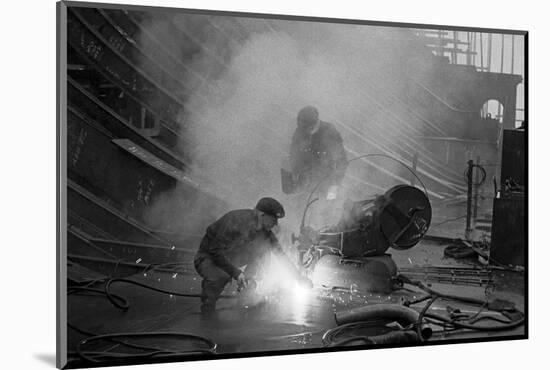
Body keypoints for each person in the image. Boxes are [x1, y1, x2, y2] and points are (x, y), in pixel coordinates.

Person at [194, 197, 311, 314]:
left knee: (262, 251)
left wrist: (298, 278)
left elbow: (281, 255)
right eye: (274, 218)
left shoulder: (265, 234)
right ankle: (208, 309)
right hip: (208, 258)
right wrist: (236, 273)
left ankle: (246, 294)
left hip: (232, 258)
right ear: (262, 215)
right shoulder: (235, 220)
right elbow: (215, 250)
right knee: (221, 276)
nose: (276, 223)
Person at [287, 106, 348, 199]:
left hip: (325, 182)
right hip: (305, 182)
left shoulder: (330, 132)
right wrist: (294, 174)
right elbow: (293, 155)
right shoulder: (300, 132)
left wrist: (335, 185)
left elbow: (341, 161)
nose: (304, 133)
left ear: (313, 125)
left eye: (306, 129)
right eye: (302, 129)